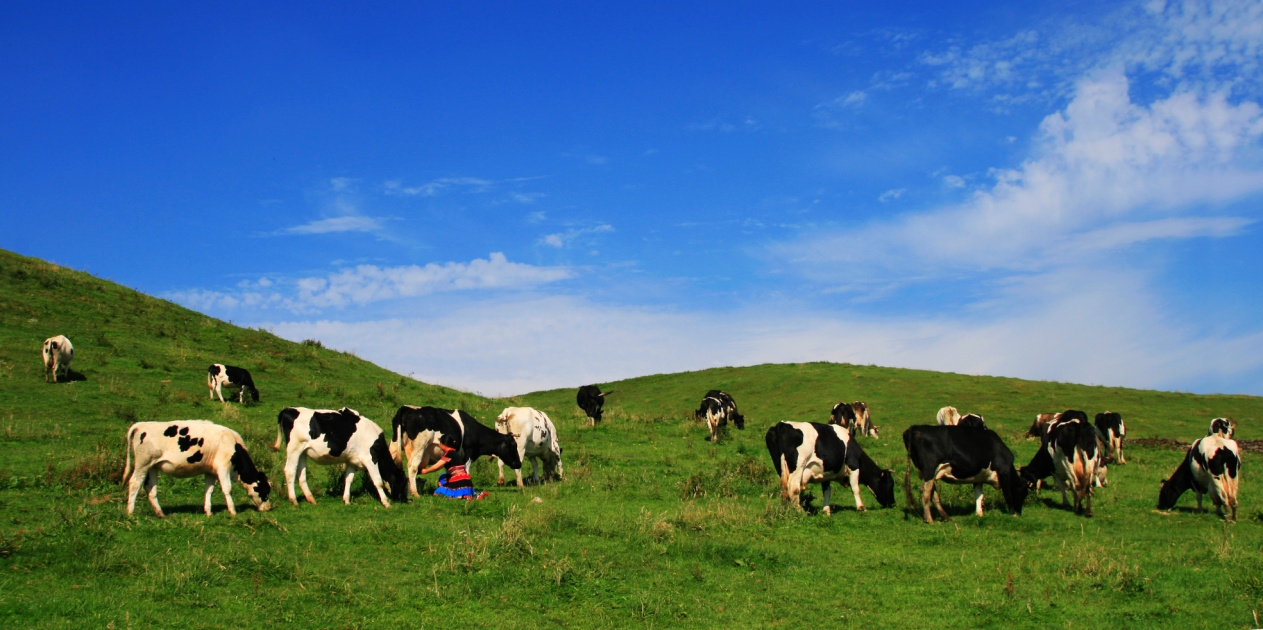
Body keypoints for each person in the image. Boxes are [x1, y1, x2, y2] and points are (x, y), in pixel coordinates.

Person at [420, 441, 488, 500]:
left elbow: (436, 466)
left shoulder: (449, 454)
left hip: (459, 480)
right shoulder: (455, 453)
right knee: (443, 476)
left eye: (440, 443)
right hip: (467, 482)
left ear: (443, 444)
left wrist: (425, 471)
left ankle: (460, 495)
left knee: (438, 492)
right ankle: (467, 494)